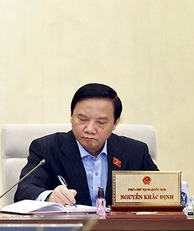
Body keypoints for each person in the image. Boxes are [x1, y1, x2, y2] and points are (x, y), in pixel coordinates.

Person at [14, 83, 158, 206]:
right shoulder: (46, 148)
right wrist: (49, 196)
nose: (89, 129)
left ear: (115, 123)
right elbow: (24, 190)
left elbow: (161, 193)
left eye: (101, 122)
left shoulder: (136, 152)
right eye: (82, 119)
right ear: (71, 116)